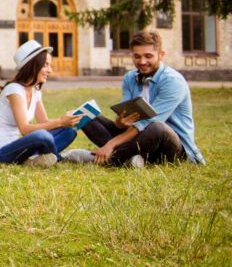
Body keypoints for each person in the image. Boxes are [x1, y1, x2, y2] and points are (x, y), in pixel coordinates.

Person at [81, 31, 205, 167]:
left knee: (157, 128)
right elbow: (125, 116)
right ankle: (130, 158)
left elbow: (148, 122)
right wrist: (120, 122)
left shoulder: (173, 81)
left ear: (161, 55)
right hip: (136, 137)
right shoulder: (129, 78)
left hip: (172, 148)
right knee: (85, 115)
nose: (142, 62)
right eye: (137, 56)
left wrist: (111, 143)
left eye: (148, 56)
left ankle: (110, 159)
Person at [0, 40, 83, 167]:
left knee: (69, 131)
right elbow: (25, 129)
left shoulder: (35, 91)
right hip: (0, 153)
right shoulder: (14, 90)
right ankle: (56, 158)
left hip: (20, 149)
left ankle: (36, 159)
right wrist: (60, 121)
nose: (50, 70)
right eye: (46, 65)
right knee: (41, 135)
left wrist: (67, 120)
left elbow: (44, 121)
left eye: (50, 65)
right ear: (33, 66)